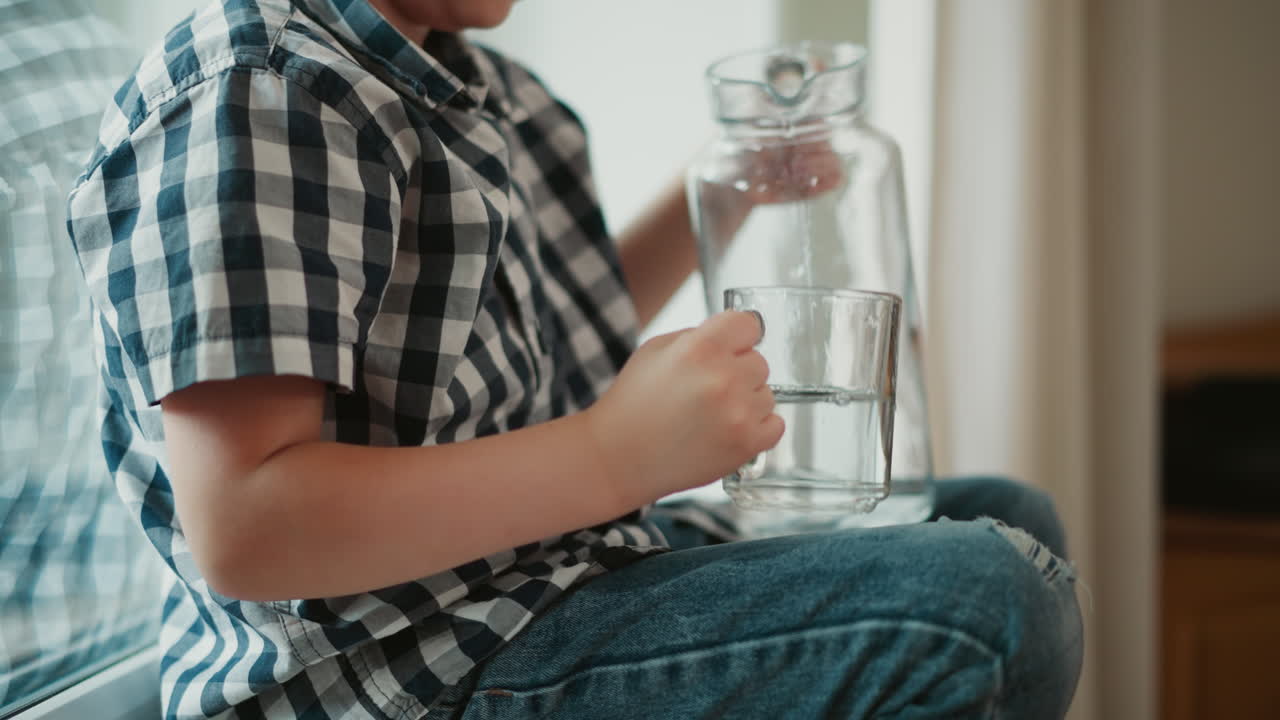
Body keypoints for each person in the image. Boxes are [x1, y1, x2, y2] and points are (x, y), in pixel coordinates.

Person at [66, 0, 1084, 717]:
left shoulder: (492, 92)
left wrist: (721, 197)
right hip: (399, 679)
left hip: (541, 591)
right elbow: (247, 525)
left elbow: (551, 340)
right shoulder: (261, 90)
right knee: (983, 599)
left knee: (1005, 512)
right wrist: (611, 456)